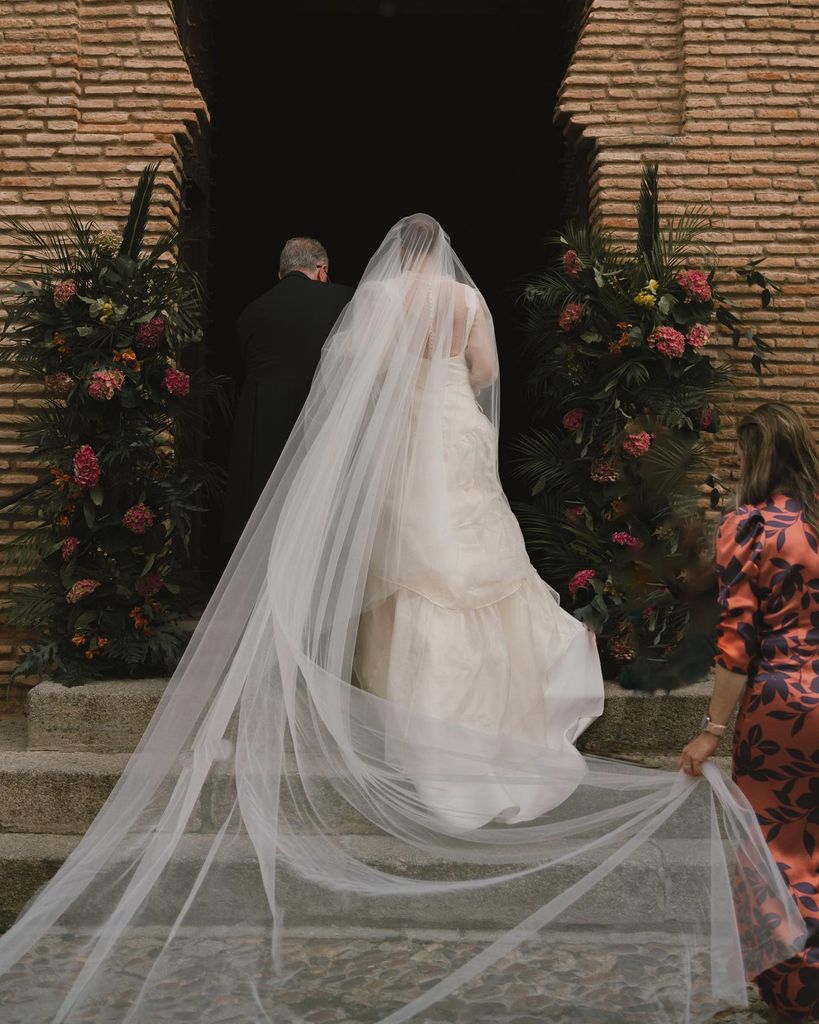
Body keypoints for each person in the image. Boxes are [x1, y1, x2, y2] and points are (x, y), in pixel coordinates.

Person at [0, 219, 805, 1024]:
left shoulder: (376, 298)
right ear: (443, 252)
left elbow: (348, 385)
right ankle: (493, 721)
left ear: (395, 254)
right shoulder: (462, 298)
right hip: (453, 432)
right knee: (475, 567)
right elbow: (485, 373)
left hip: (402, 446)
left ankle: (408, 722)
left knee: (404, 578)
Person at [680, 402, 819, 1023]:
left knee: (778, 850)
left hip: (781, 710)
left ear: (755, 456)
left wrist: (712, 731)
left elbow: (736, 641)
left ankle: (798, 992)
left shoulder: (748, 526)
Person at [221, 236, 354, 542]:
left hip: (263, 428)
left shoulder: (252, 312)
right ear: (321, 269)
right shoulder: (345, 300)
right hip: (322, 425)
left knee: (268, 522)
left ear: (280, 274)